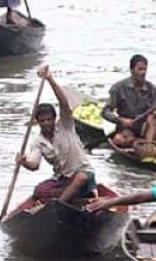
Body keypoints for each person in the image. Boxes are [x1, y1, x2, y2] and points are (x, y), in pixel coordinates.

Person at [10, 65, 95, 214]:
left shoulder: (65, 126)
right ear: (38, 122)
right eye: (42, 121)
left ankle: (58, 205)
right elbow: (34, 165)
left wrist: (50, 79)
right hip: (63, 180)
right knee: (40, 191)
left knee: (80, 178)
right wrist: (23, 162)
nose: (46, 123)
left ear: (54, 119)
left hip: (83, 175)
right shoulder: (38, 141)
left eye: (49, 119)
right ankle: (69, 197)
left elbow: (63, 103)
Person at [103, 54, 156, 147]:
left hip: (146, 130)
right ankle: (137, 142)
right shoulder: (119, 88)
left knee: (152, 118)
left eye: (145, 69)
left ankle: (147, 145)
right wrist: (121, 120)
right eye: (140, 69)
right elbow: (105, 112)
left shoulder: (152, 89)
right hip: (127, 129)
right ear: (132, 70)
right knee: (118, 140)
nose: (143, 72)